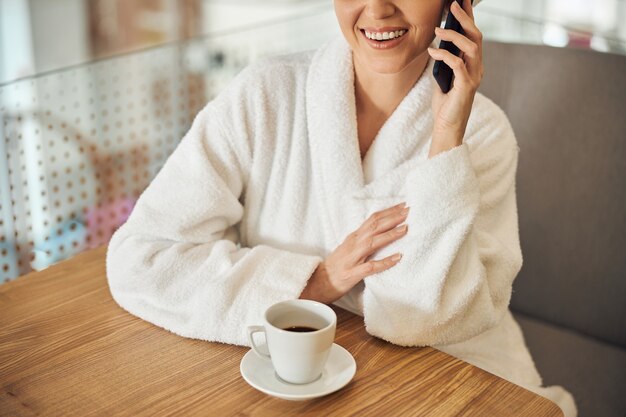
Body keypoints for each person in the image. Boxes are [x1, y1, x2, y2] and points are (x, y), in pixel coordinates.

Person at [106, 0, 576, 415]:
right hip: (295, 379)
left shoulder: (482, 134)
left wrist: (445, 137)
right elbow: (142, 255)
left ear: (459, 4)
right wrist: (319, 281)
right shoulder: (264, 96)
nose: (376, 9)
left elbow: (423, 320)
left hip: (453, 378)